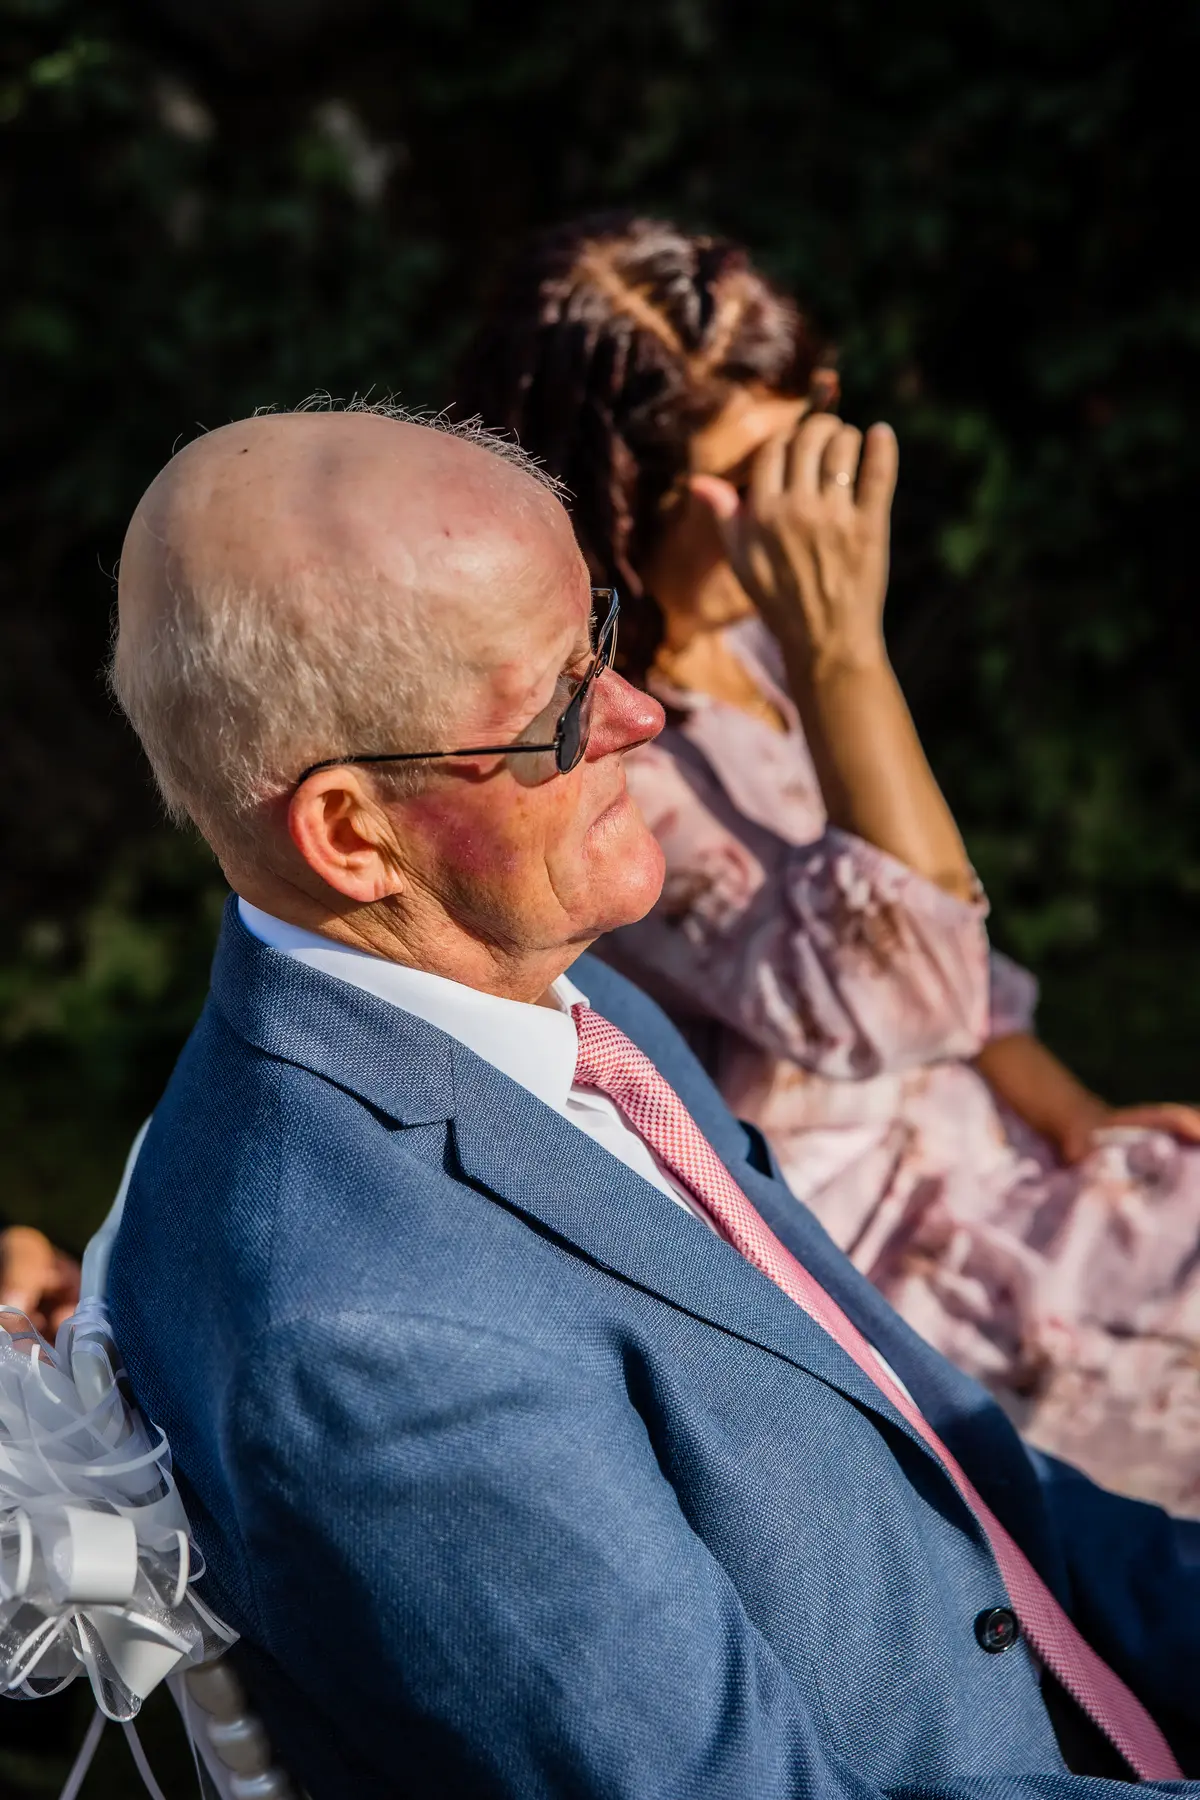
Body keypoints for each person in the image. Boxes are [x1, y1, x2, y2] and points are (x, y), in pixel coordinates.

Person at [98, 401, 1199, 1797]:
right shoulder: (373, 1345)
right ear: (353, 833)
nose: (643, 714)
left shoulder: (556, 990)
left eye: (599, 639)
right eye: (560, 707)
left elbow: (978, 1492)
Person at [456, 213, 1200, 1514]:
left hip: (982, 1154)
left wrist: (1074, 1117)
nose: (787, 518)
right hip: (870, 1260)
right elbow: (893, 1000)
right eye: (740, 479)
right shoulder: (602, 761)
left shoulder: (751, 646)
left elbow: (954, 972)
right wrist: (841, 647)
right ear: (607, 497)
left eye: (798, 454)